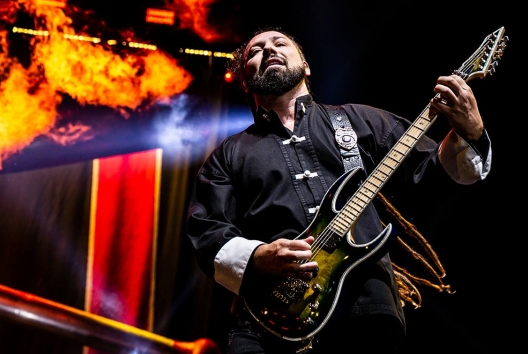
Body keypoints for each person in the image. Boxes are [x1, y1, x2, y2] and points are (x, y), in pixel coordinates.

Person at [185, 27, 492, 354]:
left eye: (279, 43)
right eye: (255, 51)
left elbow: (437, 172)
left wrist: (471, 132)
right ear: (245, 80)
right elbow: (206, 230)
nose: (269, 50)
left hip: (368, 312)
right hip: (266, 325)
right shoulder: (228, 154)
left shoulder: (359, 120)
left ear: (306, 66)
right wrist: (259, 256)